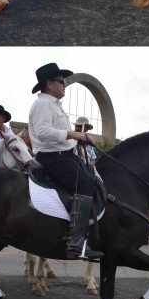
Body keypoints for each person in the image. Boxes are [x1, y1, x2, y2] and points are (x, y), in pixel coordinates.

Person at [28, 62, 102, 261]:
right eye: (61, 81)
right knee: (85, 186)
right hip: (53, 158)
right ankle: (76, 242)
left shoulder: (53, 105)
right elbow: (43, 132)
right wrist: (74, 134)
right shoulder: (43, 105)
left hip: (65, 155)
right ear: (49, 83)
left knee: (92, 179)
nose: (65, 84)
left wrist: (79, 138)